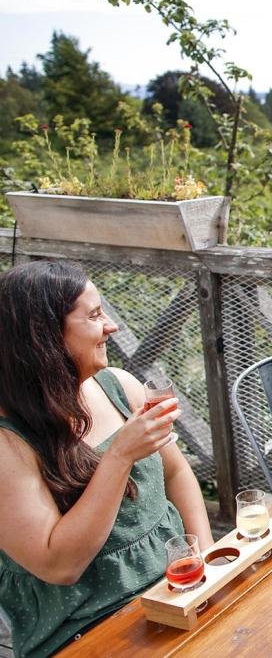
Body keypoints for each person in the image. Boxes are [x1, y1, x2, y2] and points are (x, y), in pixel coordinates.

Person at [0, 261, 212, 658]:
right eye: (95, 316)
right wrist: (120, 455)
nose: (111, 325)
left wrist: (207, 559)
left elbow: (177, 473)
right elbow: (60, 565)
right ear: (44, 336)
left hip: (177, 589)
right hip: (88, 628)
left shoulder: (120, 385)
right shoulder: (7, 444)